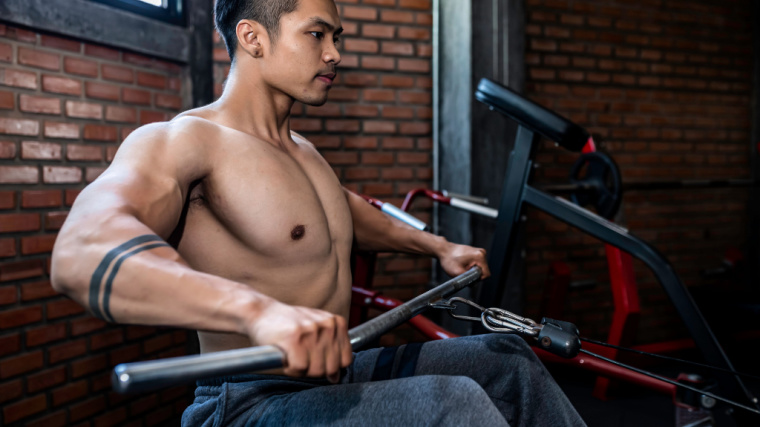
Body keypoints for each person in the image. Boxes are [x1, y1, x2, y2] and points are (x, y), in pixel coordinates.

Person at [51, 0, 585, 425]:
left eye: (337, 38)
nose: (334, 54)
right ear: (252, 37)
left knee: (507, 362)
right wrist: (259, 312)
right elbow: (83, 249)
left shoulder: (302, 152)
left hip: (338, 373)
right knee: (454, 408)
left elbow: (344, 215)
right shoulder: (185, 140)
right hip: (248, 401)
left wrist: (437, 247)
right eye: (316, 34)